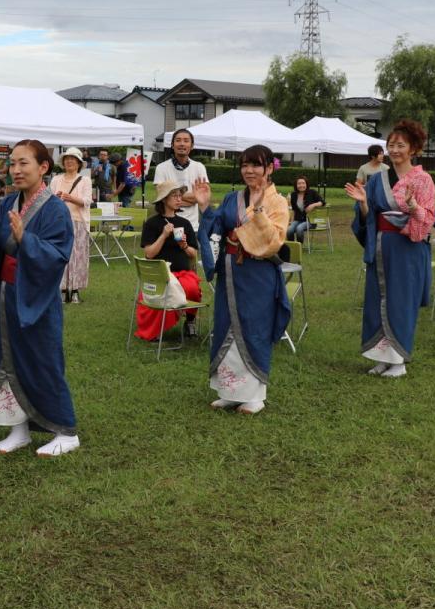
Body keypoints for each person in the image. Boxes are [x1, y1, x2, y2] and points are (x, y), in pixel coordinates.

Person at [0, 139, 79, 457]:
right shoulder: (8, 204)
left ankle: (65, 430)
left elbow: (58, 254)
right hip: (8, 294)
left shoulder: (55, 210)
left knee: (43, 360)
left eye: (24, 163)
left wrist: (26, 239)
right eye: (13, 163)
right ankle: (17, 429)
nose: (15, 170)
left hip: (37, 296)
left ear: (43, 167)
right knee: (6, 359)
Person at [192, 144, 290, 414]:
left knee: (252, 328)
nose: (249, 170)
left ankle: (255, 395)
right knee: (226, 326)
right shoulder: (233, 198)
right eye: (245, 165)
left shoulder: (277, 202)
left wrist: (258, 211)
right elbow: (217, 228)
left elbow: (274, 242)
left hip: (258, 274)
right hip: (230, 272)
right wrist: (204, 207)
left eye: (256, 165)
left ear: (269, 168)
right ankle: (230, 391)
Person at [345, 119, 435, 378]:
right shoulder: (377, 179)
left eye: (400, 145)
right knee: (377, 299)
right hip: (381, 244)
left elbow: (428, 218)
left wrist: (414, 207)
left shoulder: (423, 179)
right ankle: (381, 356)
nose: (394, 150)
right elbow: (369, 216)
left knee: (400, 301)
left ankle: (398, 361)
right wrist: (363, 204)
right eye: (391, 145)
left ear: (413, 149)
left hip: (407, 247)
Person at [135, 180, 202, 340]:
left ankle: (190, 322)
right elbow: (149, 254)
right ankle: (156, 328)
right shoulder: (152, 223)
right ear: (164, 199)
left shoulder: (185, 223)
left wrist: (184, 246)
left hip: (182, 273)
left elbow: (193, 254)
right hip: (160, 276)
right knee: (167, 289)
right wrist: (164, 236)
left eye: (180, 195)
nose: (179, 199)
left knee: (192, 288)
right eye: (175, 196)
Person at [49, 147, 92, 304]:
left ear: (79, 163)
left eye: (73, 159)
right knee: (60, 255)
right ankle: (61, 289)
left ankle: (74, 290)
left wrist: (70, 198)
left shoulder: (85, 180)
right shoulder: (55, 180)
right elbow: (48, 200)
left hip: (78, 222)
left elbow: (87, 201)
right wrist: (57, 199)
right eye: (67, 159)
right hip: (59, 223)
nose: (69, 162)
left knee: (78, 257)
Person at [152, 129, 209, 230]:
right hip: (168, 226)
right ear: (172, 145)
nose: (182, 144)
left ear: (191, 146)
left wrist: (172, 196)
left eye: (186, 141)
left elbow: (203, 197)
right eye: (178, 140)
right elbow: (162, 197)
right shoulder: (161, 168)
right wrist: (194, 199)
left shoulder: (199, 167)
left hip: (193, 226)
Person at [286, 175, 324, 242]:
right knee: (289, 230)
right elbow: (294, 210)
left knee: (299, 229)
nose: (301, 185)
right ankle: (292, 247)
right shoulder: (293, 195)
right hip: (297, 220)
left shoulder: (312, 192)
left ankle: (299, 247)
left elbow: (322, 202)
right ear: (296, 185)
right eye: (299, 183)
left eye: (303, 183)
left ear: (306, 184)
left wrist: (313, 205)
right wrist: (291, 221)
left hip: (310, 221)